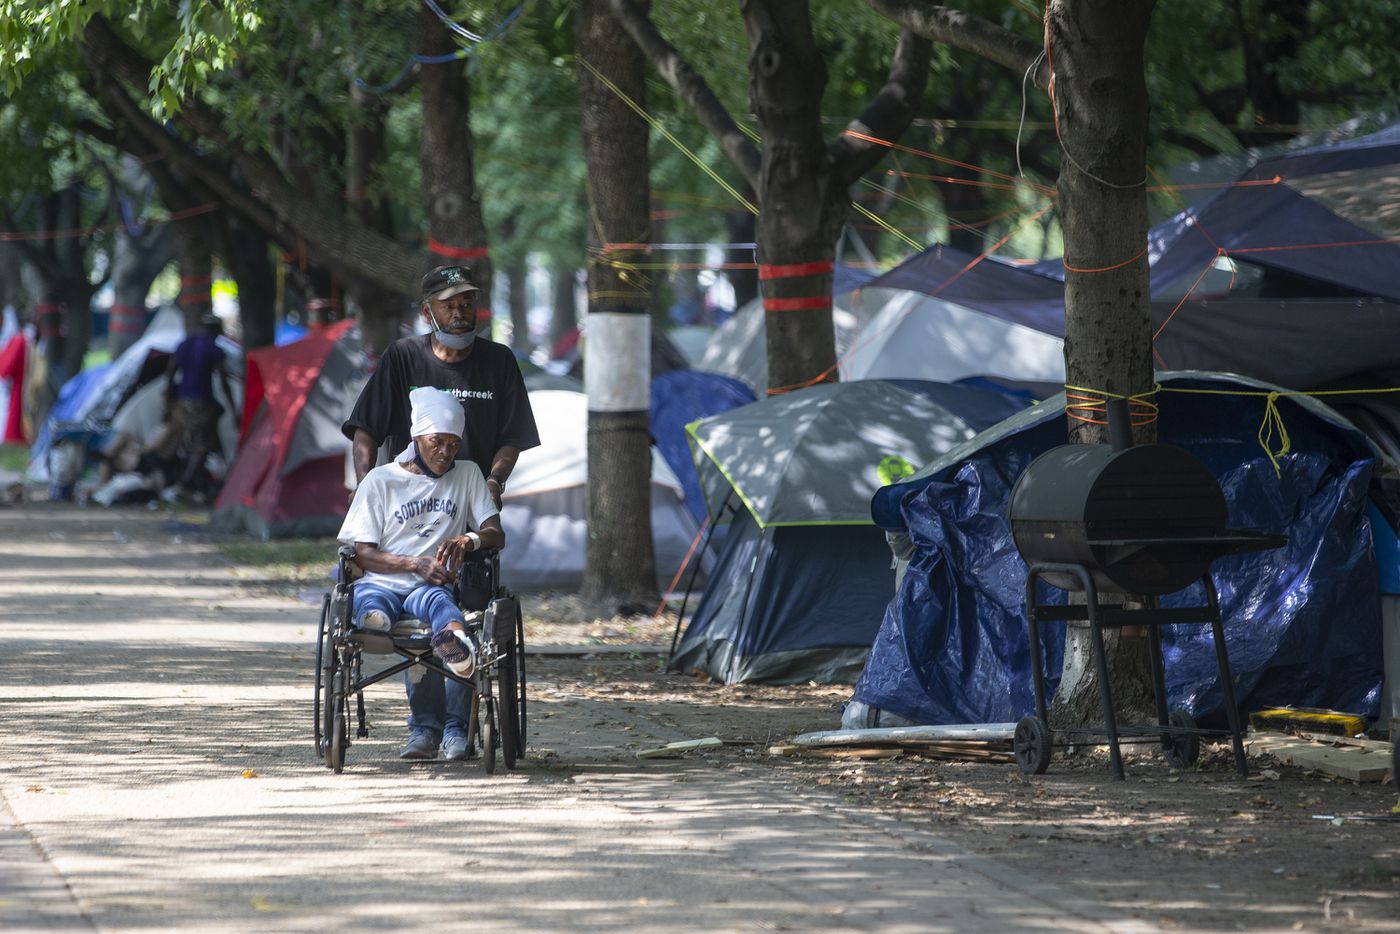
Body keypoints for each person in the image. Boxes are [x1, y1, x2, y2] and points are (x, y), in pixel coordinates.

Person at [342, 264, 540, 760]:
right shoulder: (404, 358)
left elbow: (513, 437)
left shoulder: (497, 362)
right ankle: (423, 728)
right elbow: (366, 428)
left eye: (467, 301)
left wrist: (492, 484)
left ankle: (458, 728)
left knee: (459, 614)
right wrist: (365, 485)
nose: (460, 311)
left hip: (467, 508)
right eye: (449, 303)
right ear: (427, 311)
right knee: (395, 598)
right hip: (404, 518)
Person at [339, 387, 504, 697]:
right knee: (373, 600)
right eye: (437, 442)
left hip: (431, 585)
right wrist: (415, 563)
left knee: (443, 605)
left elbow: (496, 533)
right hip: (381, 580)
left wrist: (469, 539)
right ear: (417, 439)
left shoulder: (468, 474)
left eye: (454, 445)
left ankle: (455, 644)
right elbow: (363, 556)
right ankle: (375, 623)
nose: (446, 452)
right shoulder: (380, 480)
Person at [154, 313, 234, 501]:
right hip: (201, 401)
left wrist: (168, 401)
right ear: (216, 331)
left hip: (182, 401)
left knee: (186, 441)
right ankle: (186, 482)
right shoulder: (214, 348)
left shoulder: (185, 345)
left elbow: (170, 373)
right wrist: (232, 406)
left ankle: (194, 484)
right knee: (203, 444)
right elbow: (223, 381)